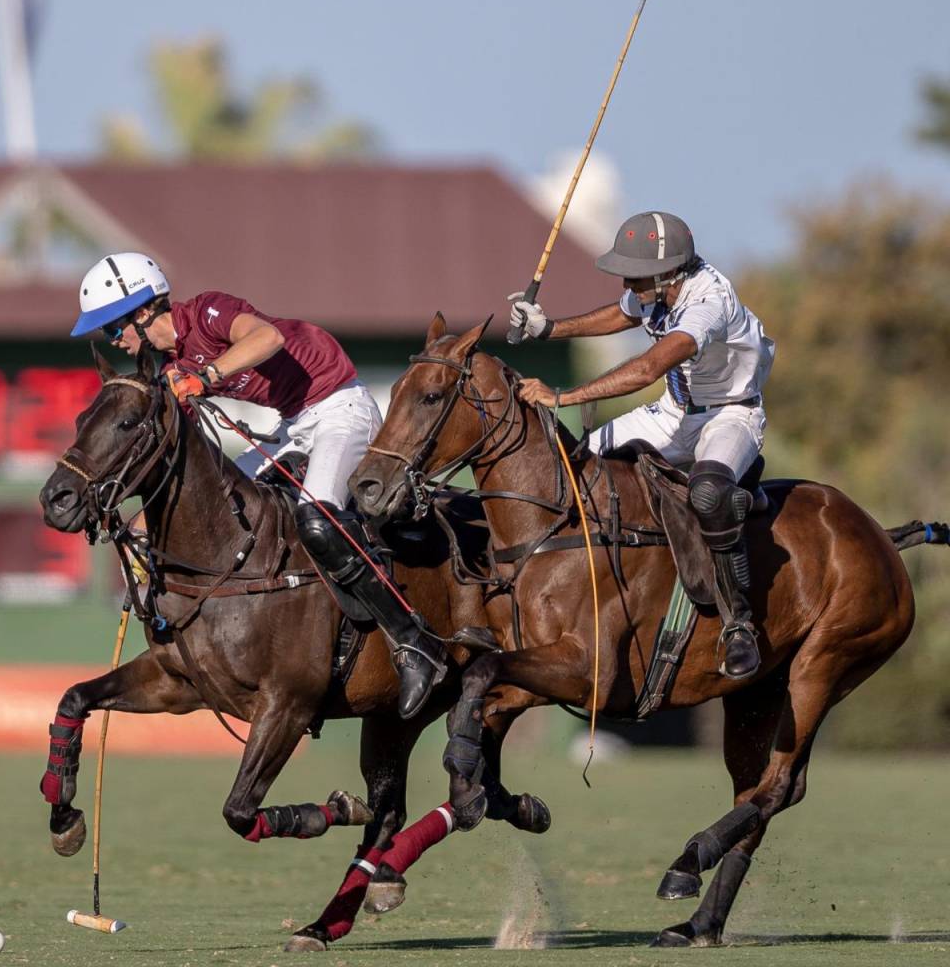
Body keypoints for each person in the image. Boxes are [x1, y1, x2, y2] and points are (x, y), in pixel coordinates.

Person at [70, 252, 445, 717]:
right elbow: (187, 467)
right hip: (294, 426)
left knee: (317, 517)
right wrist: (147, 524)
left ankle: (413, 640)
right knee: (225, 505)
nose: (114, 340)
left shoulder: (207, 313)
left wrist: (206, 376)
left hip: (339, 408)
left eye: (113, 327)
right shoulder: (169, 368)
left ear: (144, 311)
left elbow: (268, 337)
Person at [509, 212, 775, 680]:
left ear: (667, 272)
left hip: (730, 413)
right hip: (675, 410)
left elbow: (650, 366)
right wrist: (549, 328)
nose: (626, 280)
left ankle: (739, 626)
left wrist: (564, 397)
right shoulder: (657, 287)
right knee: (571, 467)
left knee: (709, 494)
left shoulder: (707, 302)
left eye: (634, 273)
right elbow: (622, 312)